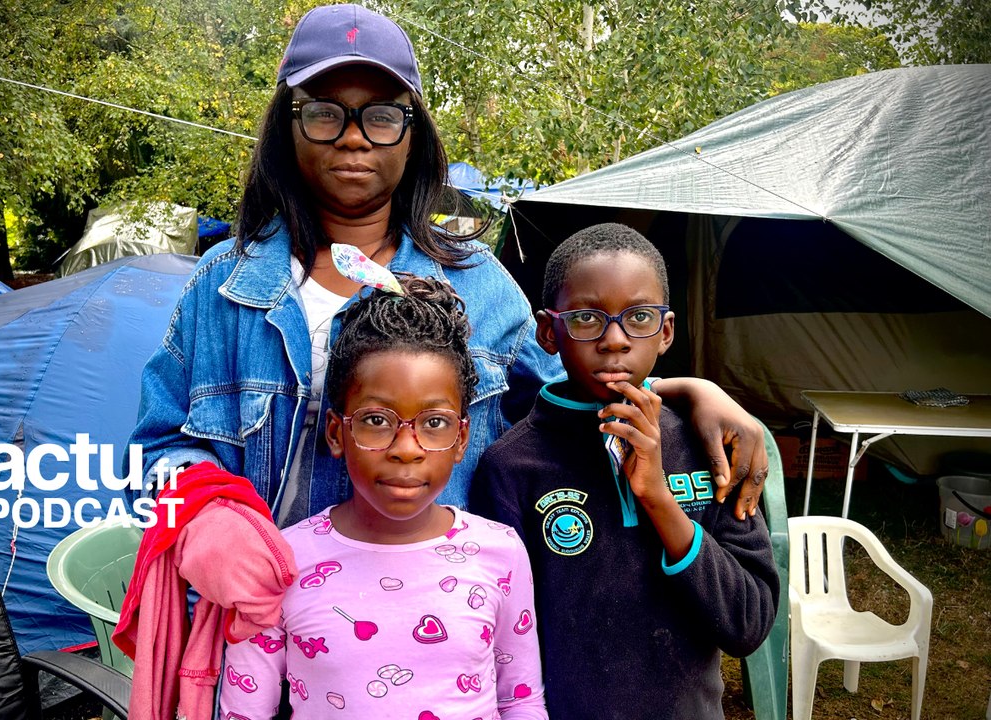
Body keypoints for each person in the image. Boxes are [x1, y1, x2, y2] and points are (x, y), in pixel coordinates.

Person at [127, 3, 769, 530]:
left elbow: (572, 401)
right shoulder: (221, 288)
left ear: (413, 136)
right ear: (287, 128)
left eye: (381, 115)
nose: (353, 136)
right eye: (324, 112)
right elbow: (152, 456)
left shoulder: (478, 286)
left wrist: (690, 392)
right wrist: (204, 517)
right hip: (252, 639)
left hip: (428, 642)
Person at [470, 223, 780, 719]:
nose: (614, 340)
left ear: (666, 332)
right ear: (550, 332)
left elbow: (748, 622)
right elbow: (495, 639)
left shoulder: (710, 449)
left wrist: (659, 499)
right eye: (588, 318)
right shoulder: (511, 468)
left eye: (638, 317)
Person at [218, 274, 547, 719]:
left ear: (462, 438)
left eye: (434, 423)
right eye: (376, 420)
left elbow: (520, 699)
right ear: (337, 432)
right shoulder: (282, 562)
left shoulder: (500, 552)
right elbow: (245, 712)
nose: (406, 449)